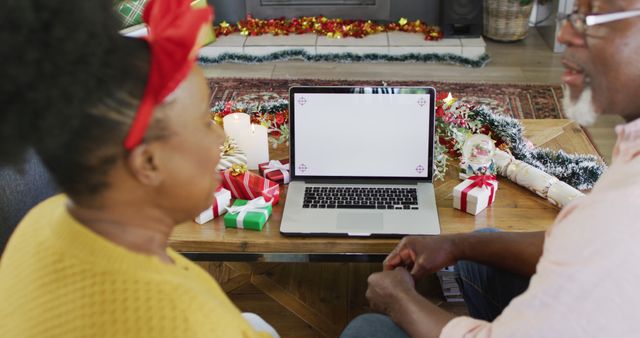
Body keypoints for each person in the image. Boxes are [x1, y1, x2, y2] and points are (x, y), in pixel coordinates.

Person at [342, 0, 640, 337]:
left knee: (367, 329)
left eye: (592, 17)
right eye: (573, 14)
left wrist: (398, 300)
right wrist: (454, 245)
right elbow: (576, 239)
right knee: (480, 241)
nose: (567, 33)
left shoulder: (626, 214)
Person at [0, 0, 278, 337]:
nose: (220, 138)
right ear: (147, 163)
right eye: (205, 123)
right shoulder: (191, 320)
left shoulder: (37, 222)